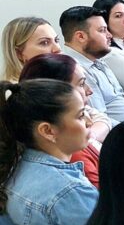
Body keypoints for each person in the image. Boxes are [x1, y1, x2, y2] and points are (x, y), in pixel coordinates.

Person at [0, 79, 97, 225]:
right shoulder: (69, 191)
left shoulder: (13, 168)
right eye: (80, 115)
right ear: (48, 131)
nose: (89, 121)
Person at [19, 54, 110, 187]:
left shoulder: (73, 136)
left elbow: (101, 117)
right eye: (82, 84)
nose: (89, 90)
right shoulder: (73, 149)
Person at [59, 6, 124, 124]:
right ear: (81, 36)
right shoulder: (76, 71)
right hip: (123, 131)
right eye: (102, 30)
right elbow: (99, 120)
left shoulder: (95, 59)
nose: (109, 35)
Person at [2, 17, 62, 83]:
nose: (58, 49)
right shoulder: (17, 88)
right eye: (45, 42)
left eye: (56, 40)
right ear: (18, 53)